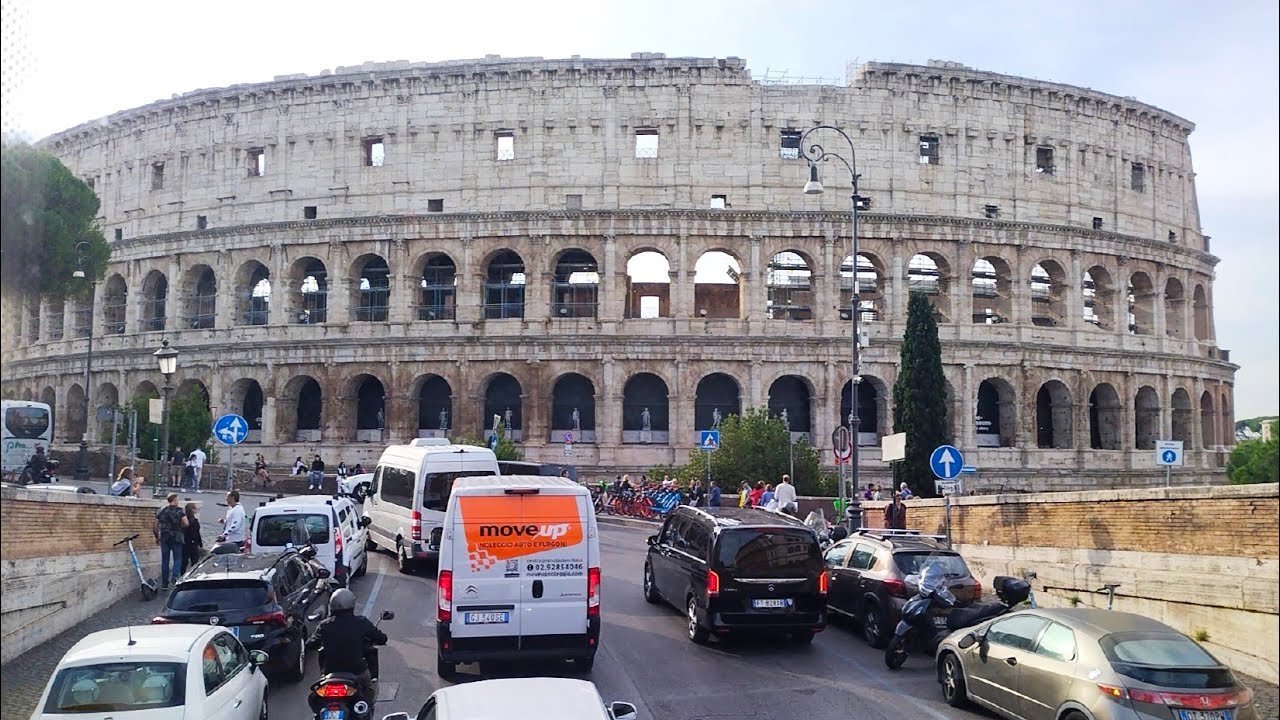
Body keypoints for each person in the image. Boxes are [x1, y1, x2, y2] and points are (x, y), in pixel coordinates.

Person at [314, 589, 388, 703]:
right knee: (369, 693)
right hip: (357, 672)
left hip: (330, 673)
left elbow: (311, 644)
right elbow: (382, 638)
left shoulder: (324, 625)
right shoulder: (361, 622)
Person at [152, 493, 189, 590]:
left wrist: (157, 536)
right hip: (176, 537)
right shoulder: (179, 511)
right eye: (177, 500)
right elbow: (186, 523)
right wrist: (180, 527)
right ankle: (175, 578)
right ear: (175, 500)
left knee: (165, 561)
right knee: (177, 559)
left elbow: (155, 525)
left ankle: (164, 583)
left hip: (164, 537)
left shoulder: (161, 510)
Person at [180, 502, 203, 575]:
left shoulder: (184, 519)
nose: (196, 510)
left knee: (184, 562)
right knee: (194, 562)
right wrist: (200, 543)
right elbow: (196, 533)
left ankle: (182, 575)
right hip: (193, 543)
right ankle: (193, 575)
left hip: (185, 543)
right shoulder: (194, 521)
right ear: (192, 510)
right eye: (195, 508)